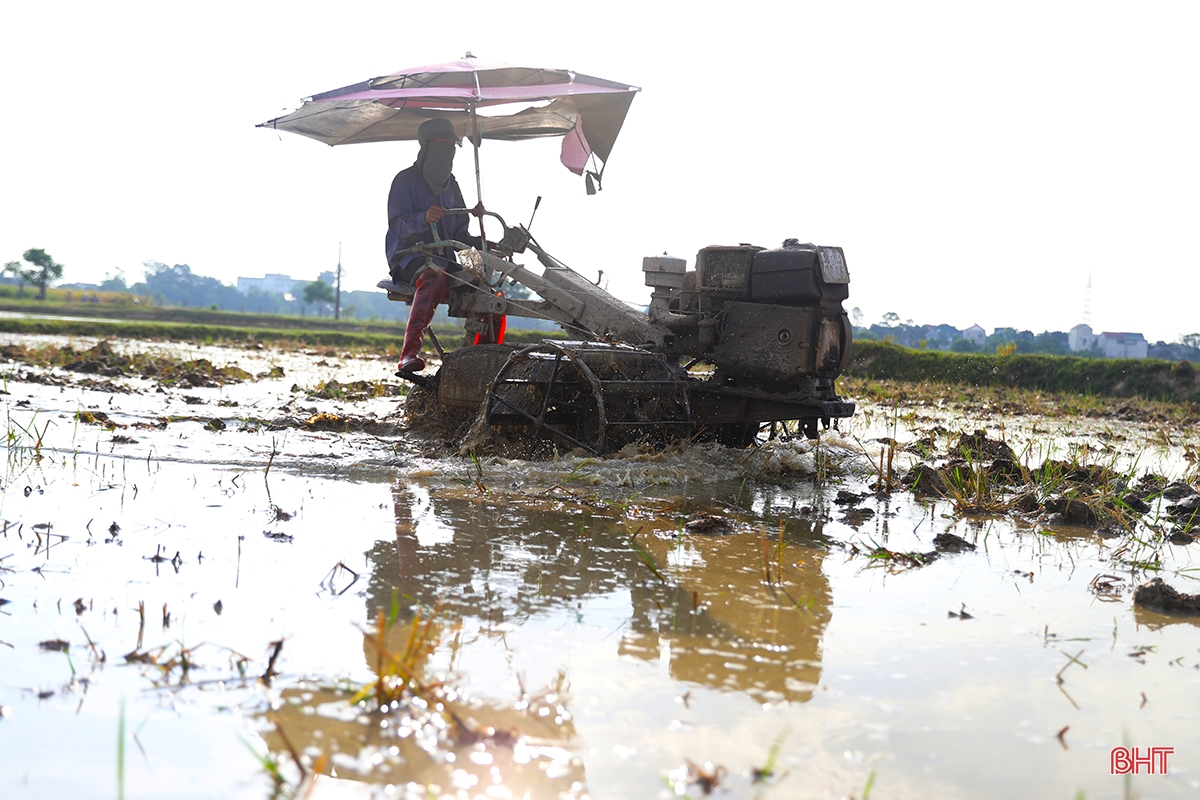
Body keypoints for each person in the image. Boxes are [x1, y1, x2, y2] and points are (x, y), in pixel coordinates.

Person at [385, 117, 484, 373]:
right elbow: (398, 226)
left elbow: (460, 232)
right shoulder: (404, 181)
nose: (448, 148)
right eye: (443, 143)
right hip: (411, 256)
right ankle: (409, 354)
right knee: (433, 277)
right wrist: (422, 218)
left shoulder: (452, 185)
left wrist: (484, 243)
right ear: (427, 146)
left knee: (489, 290)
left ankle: (482, 356)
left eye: (452, 144)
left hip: (448, 256)